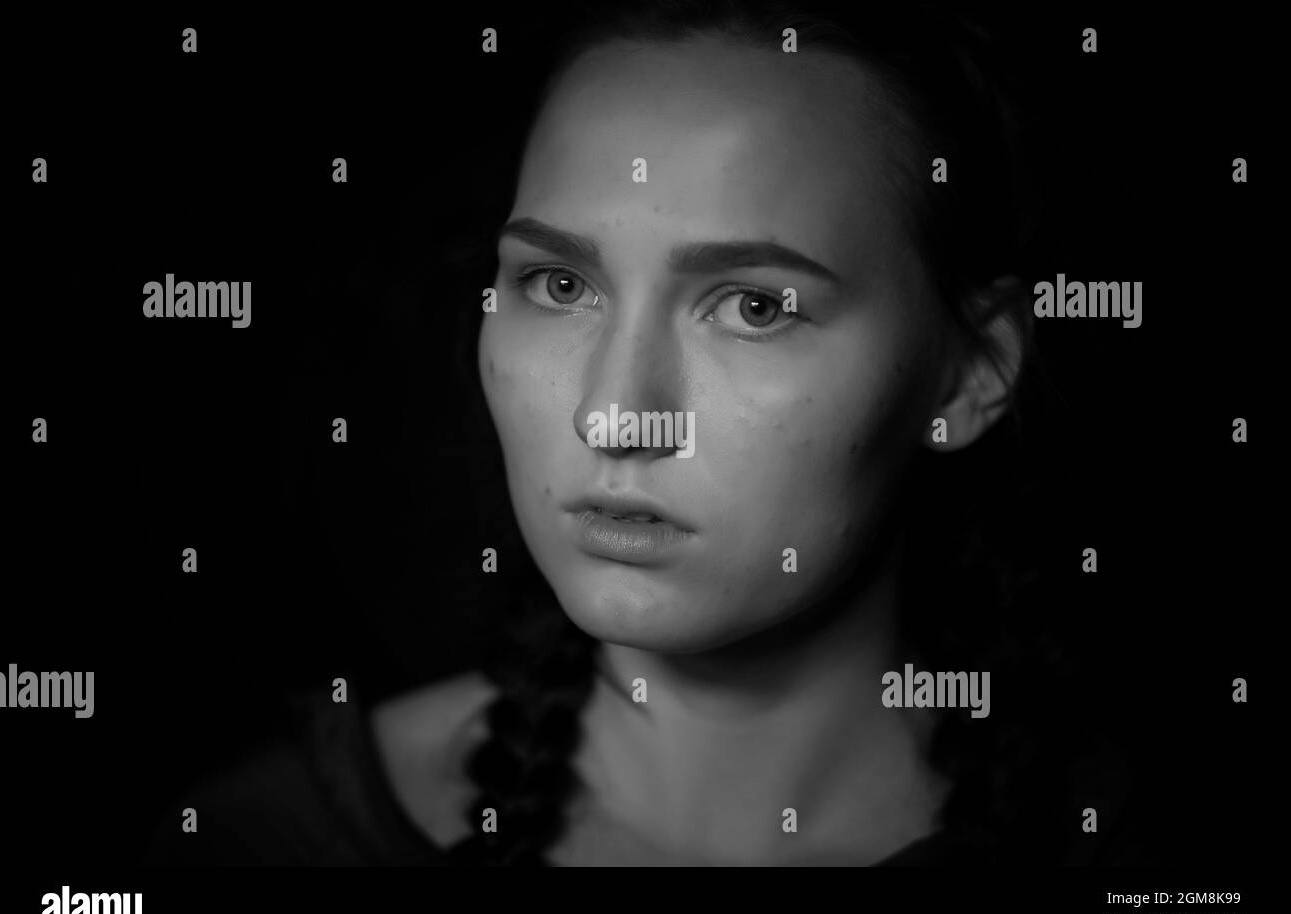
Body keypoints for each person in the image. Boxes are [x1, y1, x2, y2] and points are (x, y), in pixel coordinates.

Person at [143, 0, 1144, 868]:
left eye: (753, 306)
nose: (614, 415)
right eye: (560, 284)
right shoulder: (261, 841)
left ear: (971, 371)